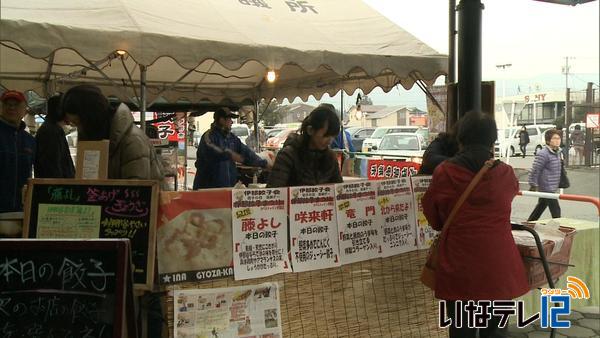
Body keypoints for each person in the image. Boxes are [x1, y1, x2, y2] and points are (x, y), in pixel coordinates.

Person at [422, 111, 529, 338]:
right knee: (495, 332)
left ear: (461, 138)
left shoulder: (446, 173)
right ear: (493, 140)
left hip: (461, 267)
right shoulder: (506, 173)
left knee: (462, 332)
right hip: (499, 266)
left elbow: (434, 218)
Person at [61, 85, 165, 183]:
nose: (79, 129)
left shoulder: (132, 140)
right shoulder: (97, 138)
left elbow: (137, 192)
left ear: (90, 118)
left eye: (78, 123)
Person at [267, 104, 343, 187]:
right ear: (310, 130)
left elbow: (338, 189)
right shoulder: (288, 155)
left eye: (333, 136)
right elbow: (274, 192)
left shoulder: (330, 157)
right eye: (326, 136)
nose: (330, 141)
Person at [193, 108, 269, 189]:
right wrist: (230, 154)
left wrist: (264, 163)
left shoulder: (232, 138)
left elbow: (247, 153)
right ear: (222, 120)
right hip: (207, 188)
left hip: (228, 188)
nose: (232, 122)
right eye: (229, 119)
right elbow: (214, 150)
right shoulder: (208, 136)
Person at [0, 90, 35, 212]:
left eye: (16, 104)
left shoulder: (29, 140)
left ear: (25, 110)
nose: (11, 107)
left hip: (21, 209)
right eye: (7, 104)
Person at [34, 94, 76, 178]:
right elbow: (52, 166)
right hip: (55, 188)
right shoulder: (51, 131)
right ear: (60, 111)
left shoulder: (53, 128)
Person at [527, 129, 562, 221]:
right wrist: (533, 183)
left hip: (552, 185)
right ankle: (559, 226)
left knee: (541, 206)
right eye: (554, 138)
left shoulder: (558, 153)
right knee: (556, 210)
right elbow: (535, 169)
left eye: (559, 138)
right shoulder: (543, 154)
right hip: (546, 186)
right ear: (548, 140)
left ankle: (529, 223)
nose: (557, 140)